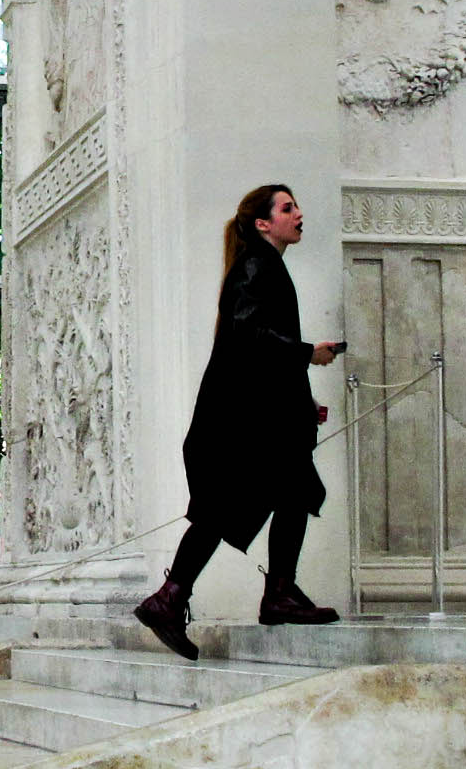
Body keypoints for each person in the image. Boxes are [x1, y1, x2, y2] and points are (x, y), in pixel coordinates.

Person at [135, 182, 344, 660]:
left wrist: (302, 402)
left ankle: (196, 597)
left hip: (247, 420)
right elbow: (250, 337)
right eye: (288, 208)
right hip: (241, 425)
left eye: (296, 206)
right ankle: (253, 595)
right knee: (242, 505)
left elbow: (254, 350)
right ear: (262, 223)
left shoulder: (262, 266)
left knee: (279, 495)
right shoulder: (256, 266)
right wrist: (306, 354)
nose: (299, 214)